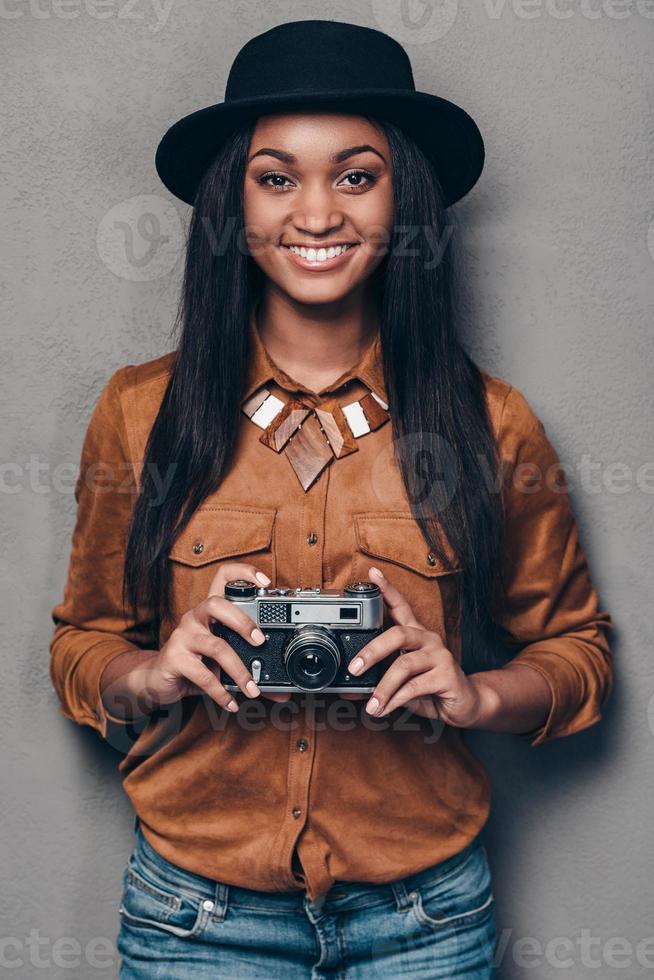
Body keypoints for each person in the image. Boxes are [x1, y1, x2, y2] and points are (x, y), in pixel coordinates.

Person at [49, 20, 614, 980]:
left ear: (405, 200)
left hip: (426, 919)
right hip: (197, 914)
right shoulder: (141, 414)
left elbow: (581, 658)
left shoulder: (492, 425)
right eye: (276, 178)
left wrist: (473, 695)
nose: (317, 213)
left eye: (356, 175)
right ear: (233, 200)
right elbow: (81, 644)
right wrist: (148, 677)